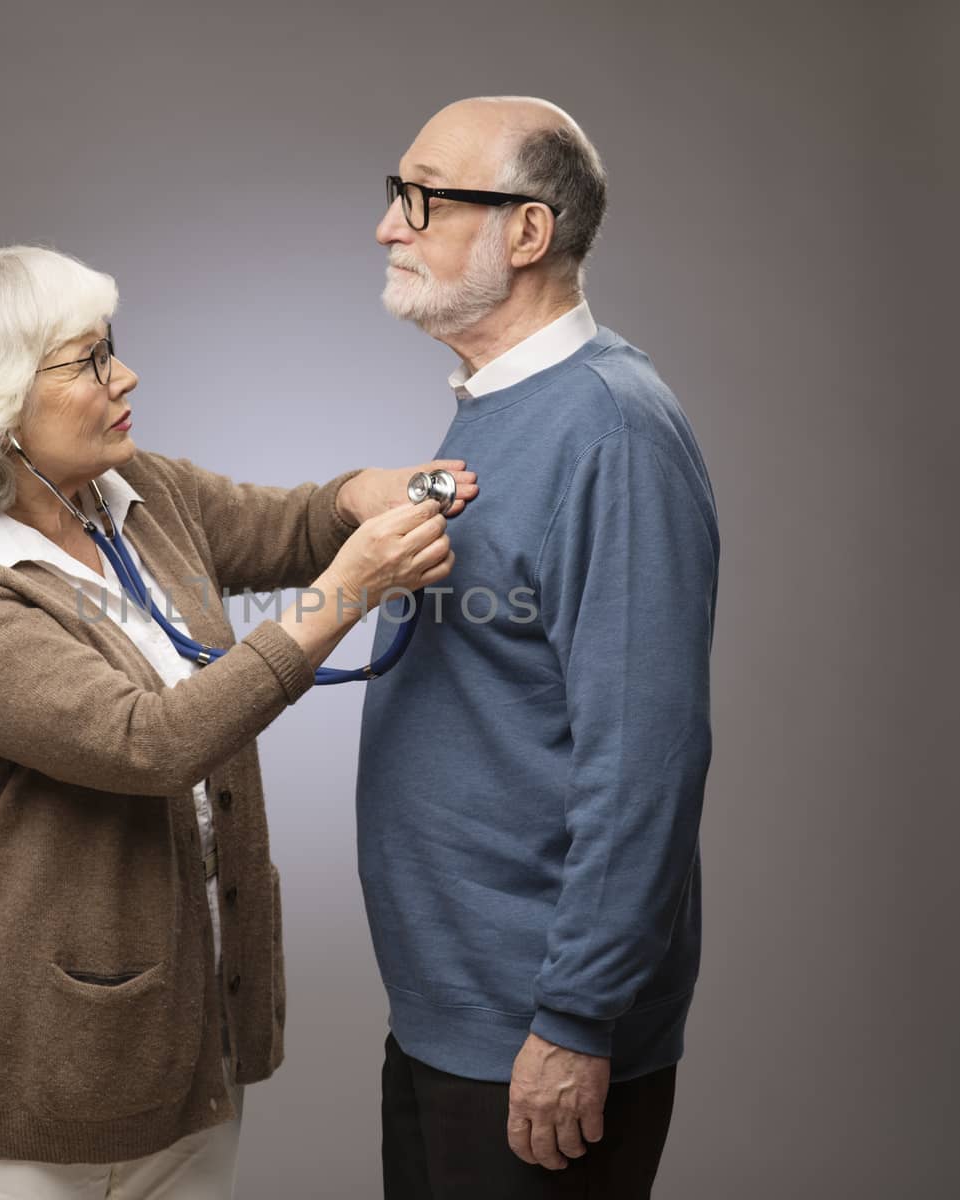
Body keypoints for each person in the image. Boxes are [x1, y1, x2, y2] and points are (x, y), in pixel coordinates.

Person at [0, 244, 474, 1199]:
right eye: (88, 360)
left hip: (194, 1041)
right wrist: (346, 593)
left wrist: (358, 495)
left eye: (114, 347)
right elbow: (148, 742)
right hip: (50, 1078)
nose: (125, 375)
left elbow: (289, 523)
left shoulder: (129, 495)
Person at [356, 97, 721, 1199]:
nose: (388, 226)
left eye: (422, 198)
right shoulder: (499, 403)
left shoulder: (609, 428)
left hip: (535, 1034)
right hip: (451, 1014)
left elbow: (646, 757)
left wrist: (573, 1019)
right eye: (394, 194)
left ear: (525, 233)